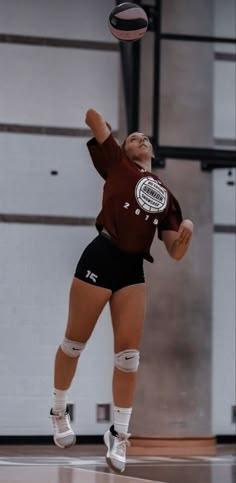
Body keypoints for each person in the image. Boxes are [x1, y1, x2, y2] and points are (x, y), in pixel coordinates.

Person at [50, 108, 194, 474]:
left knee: (129, 358)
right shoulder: (116, 164)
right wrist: (105, 129)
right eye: (133, 137)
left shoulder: (166, 195)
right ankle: (58, 410)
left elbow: (174, 251)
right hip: (102, 253)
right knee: (73, 344)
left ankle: (118, 434)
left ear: (153, 153)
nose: (140, 139)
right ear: (123, 149)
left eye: (145, 138)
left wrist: (186, 236)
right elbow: (91, 116)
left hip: (132, 268)